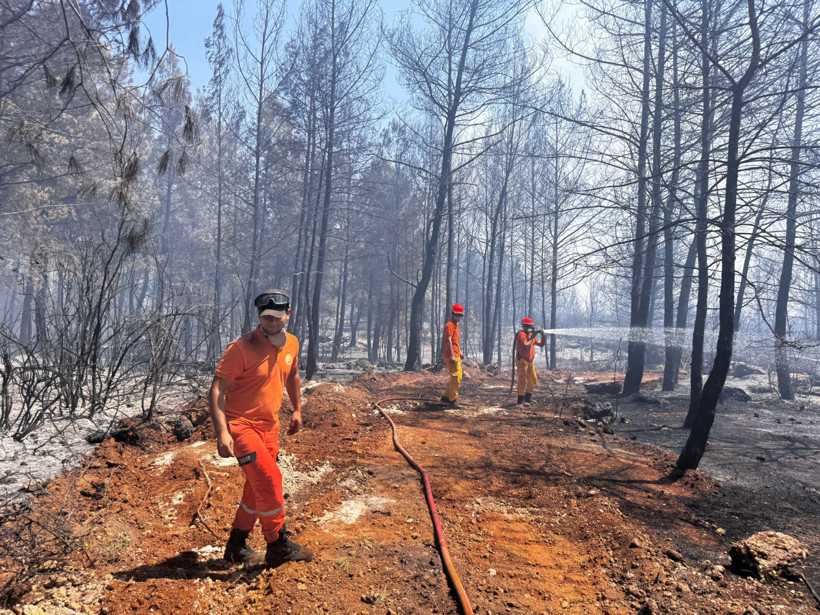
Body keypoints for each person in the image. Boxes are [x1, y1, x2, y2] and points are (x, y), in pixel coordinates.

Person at [209, 289, 313, 567]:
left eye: (277, 318)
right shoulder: (240, 348)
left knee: (256, 489)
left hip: (270, 427)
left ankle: (236, 545)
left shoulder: (291, 343)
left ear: (287, 315)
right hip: (241, 427)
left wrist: (298, 409)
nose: (272, 323)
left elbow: (292, 374)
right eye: (266, 318)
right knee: (270, 481)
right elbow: (217, 390)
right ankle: (277, 543)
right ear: (259, 316)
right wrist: (222, 432)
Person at [515, 317, 545, 406]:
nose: (531, 329)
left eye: (532, 327)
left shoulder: (531, 336)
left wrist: (543, 336)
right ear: (524, 327)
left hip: (530, 361)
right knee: (522, 379)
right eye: (529, 327)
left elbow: (541, 344)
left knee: (533, 378)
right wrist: (532, 337)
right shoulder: (521, 334)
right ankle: (520, 400)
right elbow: (525, 346)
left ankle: (527, 399)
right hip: (522, 360)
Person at [440, 303, 465, 408]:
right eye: (456, 314)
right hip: (451, 356)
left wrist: (459, 352)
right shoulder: (449, 325)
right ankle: (453, 400)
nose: (458, 317)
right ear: (452, 313)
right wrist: (451, 355)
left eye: (460, 315)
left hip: (456, 354)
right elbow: (448, 340)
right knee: (456, 378)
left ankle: (446, 397)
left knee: (457, 376)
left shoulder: (456, 325)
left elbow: (455, 341)